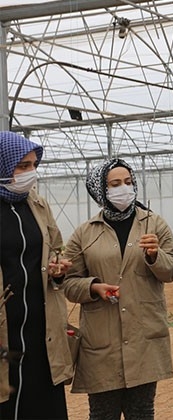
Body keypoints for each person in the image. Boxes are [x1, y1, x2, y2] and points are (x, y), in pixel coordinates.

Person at [62, 158, 173, 420]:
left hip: (144, 338)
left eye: (128, 182)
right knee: (103, 413)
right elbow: (68, 283)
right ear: (100, 190)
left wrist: (154, 256)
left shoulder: (154, 224)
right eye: (115, 184)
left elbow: (172, 270)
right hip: (101, 343)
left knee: (141, 412)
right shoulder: (85, 233)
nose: (123, 188)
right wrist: (93, 288)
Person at [0, 131, 74, 419]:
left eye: (33, 165)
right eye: (22, 166)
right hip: (7, 325)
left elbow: (54, 247)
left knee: (44, 401)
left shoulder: (37, 205)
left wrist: (57, 271)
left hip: (42, 326)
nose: (30, 173)